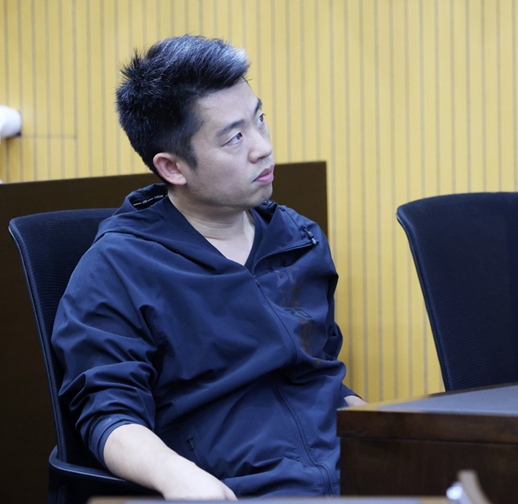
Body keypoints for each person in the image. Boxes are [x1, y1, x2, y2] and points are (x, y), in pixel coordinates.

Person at [52, 34, 364, 500]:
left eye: (260, 120)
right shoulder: (119, 267)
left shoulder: (298, 238)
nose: (261, 148)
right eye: (234, 137)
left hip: (353, 482)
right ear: (173, 168)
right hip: (242, 490)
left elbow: (321, 377)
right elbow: (109, 416)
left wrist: (393, 434)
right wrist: (177, 478)